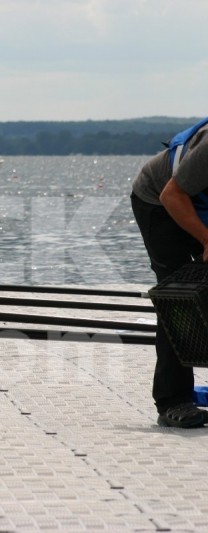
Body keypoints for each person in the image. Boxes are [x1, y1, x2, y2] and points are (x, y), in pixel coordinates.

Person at [130, 117, 208, 428]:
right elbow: (172, 195)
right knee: (179, 296)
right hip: (159, 200)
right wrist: (205, 239)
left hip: (198, 202)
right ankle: (174, 401)